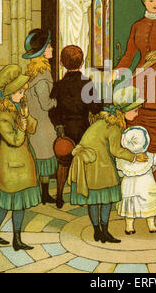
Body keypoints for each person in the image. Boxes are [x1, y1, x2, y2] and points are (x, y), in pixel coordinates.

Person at [109, 0, 156, 194]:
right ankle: (137, 177)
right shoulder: (137, 26)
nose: (155, 4)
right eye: (151, 0)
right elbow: (130, 54)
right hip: (140, 80)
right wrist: (117, 70)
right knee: (139, 121)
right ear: (144, 1)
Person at [67, 86, 148, 243]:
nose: (137, 113)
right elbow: (116, 150)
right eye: (136, 110)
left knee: (94, 200)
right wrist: (135, 157)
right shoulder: (114, 126)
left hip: (89, 164)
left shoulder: (105, 120)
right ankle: (104, 232)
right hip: (98, 165)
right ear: (126, 111)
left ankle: (97, 231)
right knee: (105, 199)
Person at [0, 65, 41, 251]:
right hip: (9, 168)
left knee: (19, 205)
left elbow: (33, 127)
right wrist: (23, 123)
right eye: (19, 91)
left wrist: (26, 114)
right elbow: (16, 140)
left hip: (23, 166)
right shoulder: (3, 116)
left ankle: (17, 239)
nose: (23, 92)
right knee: (5, 204)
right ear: (9, 94)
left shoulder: (19, 108)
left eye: (23, 89)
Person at [48, 45, 103, 209]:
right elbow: (95, 108)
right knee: (85, 162)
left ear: (62, 63)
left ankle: (59, 196)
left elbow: (52, 110)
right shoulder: (87, 83)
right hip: (83, 129)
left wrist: (58, 125)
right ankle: (83, 196)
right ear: (82, 62)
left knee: (63, 163)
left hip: (64, 130)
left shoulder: (58, 85)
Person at [23, 28, 58, 205]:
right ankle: (43, 194)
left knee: (39, 161)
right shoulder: (43, 75)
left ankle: (42, 194)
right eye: (50, 46)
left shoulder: (32, 71)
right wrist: (57, 102)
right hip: (42, 124)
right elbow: (46, 103)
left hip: (34, 122)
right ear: (43, 50)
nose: (52, 49)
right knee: (43, 161)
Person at [116, 126, 156, 235]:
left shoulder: (122, 159)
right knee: (149, 204)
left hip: (128, 188)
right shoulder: (148, 156)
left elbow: (120, 173)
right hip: (146, 186)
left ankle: (129, 227)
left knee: (130, 208)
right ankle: (152, 226)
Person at [59, 0, 91, 75]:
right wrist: (69, 10)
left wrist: (83, 10)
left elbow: (84, 4)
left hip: (80, 26)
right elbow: (62, 11)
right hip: (69, 27)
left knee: (80, 45)